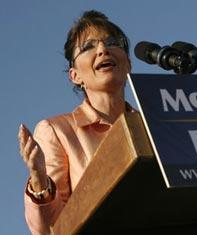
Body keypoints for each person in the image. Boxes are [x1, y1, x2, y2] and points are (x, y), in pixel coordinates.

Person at [17, 10, 132, 235]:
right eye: (88, 47)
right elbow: (52, 229)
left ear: (128, 63)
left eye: (111, 42)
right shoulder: (57, 132)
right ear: (75, 75)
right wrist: (40, 180)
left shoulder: (153, 126)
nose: (102, 49)